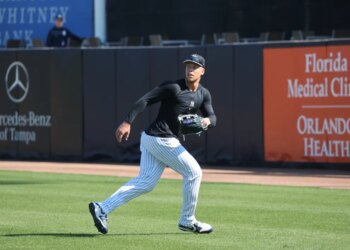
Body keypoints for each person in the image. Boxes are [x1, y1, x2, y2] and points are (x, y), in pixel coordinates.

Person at [89, 54, 217, 234]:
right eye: (188, 65)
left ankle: (101, 208)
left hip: (152, 139)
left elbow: (213, 117)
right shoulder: (174, 87)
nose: (190, 69)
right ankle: (187, 220)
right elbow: (145, 100)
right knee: (194, 173)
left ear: (202, 71)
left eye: (195, 67)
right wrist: (127, 122)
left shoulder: (203, 94)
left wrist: (206, 122)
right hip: (161, 138)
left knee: (146, 183)